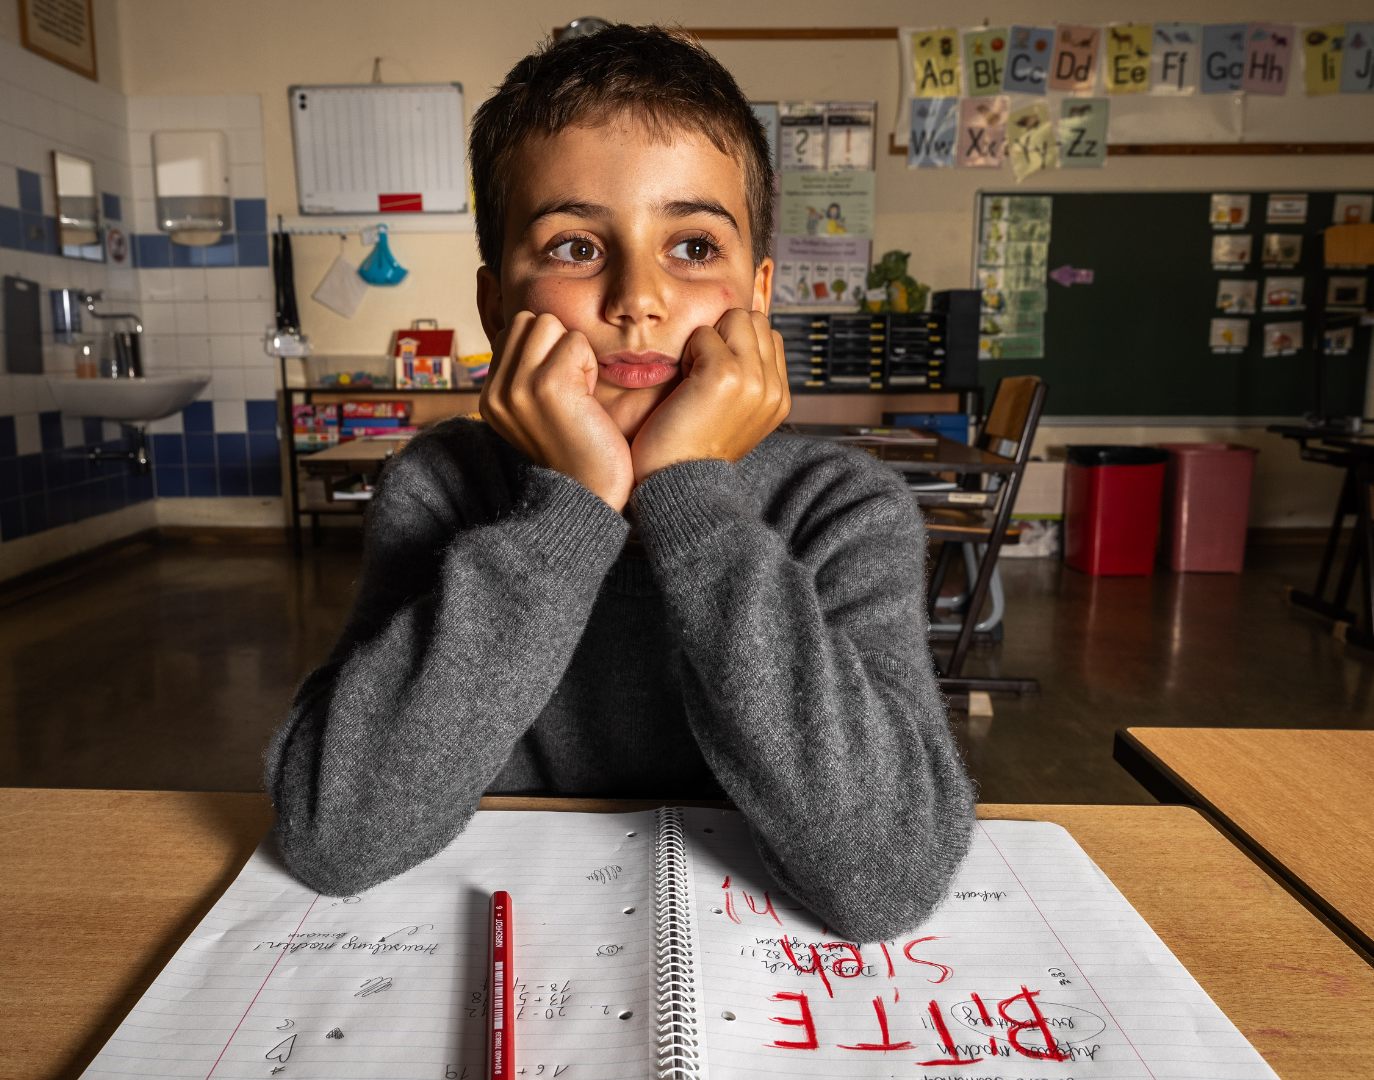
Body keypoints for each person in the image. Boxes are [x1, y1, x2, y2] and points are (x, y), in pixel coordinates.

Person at [264, 24, 973, 943]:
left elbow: (888, 877)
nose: (637, 297)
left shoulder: (842, 509)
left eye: (691, 246)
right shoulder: (444, 488)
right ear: (496, 304)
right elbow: (337, 838)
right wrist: (571, 509)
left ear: (758, 297)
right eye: (573, 248)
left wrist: (688, 497)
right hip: (513, 940)